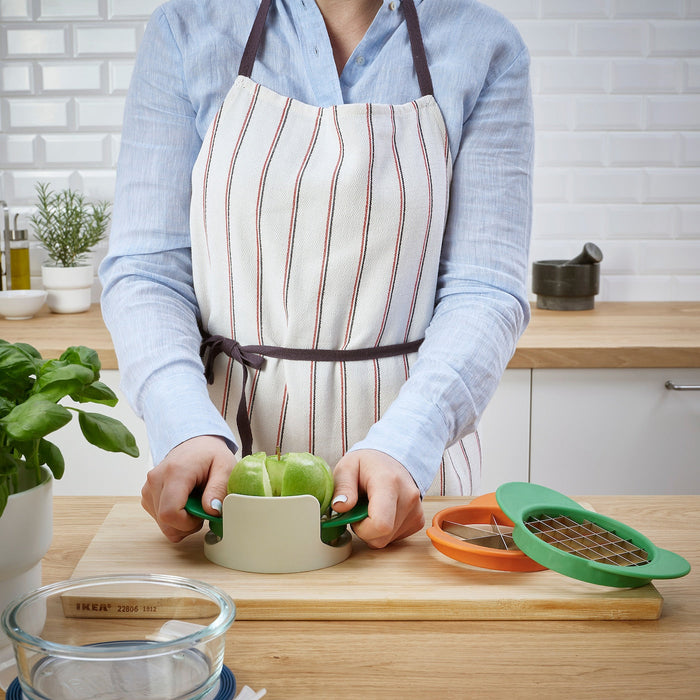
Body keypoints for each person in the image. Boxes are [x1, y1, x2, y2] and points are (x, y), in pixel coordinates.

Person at [99, 0, 533, 549]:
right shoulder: (187, 31)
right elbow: (148, 271)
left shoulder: (483, 45)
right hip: (223, 467)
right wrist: (183, 426)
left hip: (410, 479)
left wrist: (408, 442)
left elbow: (484, 287)